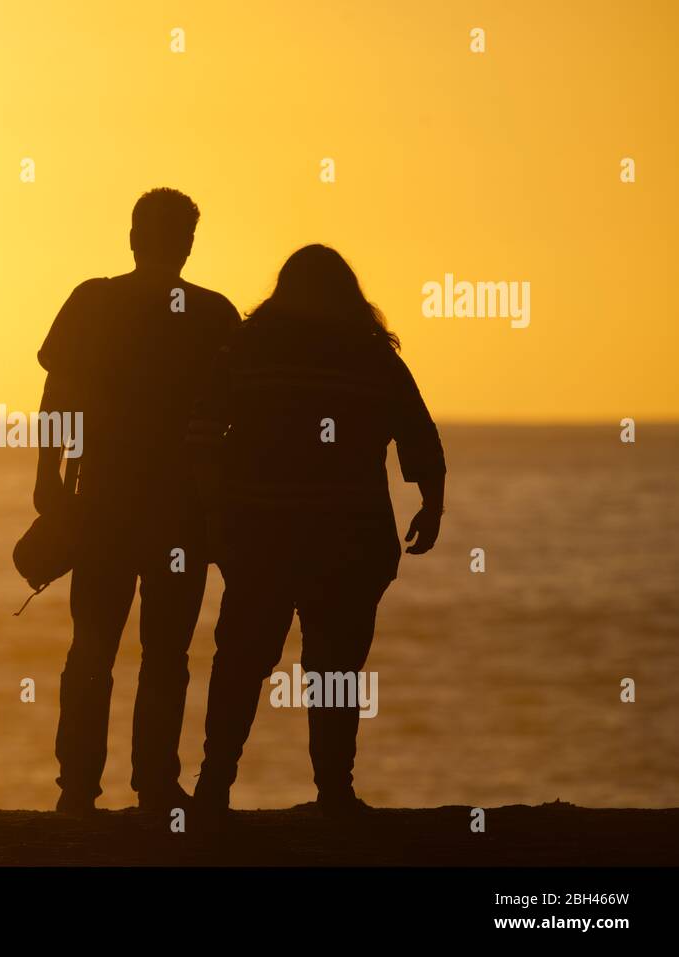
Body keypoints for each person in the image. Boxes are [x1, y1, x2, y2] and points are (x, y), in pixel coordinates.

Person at [188, 244, 445, 819]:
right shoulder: (373, 357)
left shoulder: (248, 349)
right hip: (350, 539)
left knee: (241, 661)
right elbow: (418, 435)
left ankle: (213, 786)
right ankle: (335, 791)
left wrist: (213, 511)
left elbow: (202, 431)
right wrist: (432, 504)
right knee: (335, 669)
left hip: (261, 535)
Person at [34, 188, 240, 814]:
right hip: (183, 512)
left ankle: (77, 790)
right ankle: (154, 783)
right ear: (187, 244)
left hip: (103, 505)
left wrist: (48, 475)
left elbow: (57, 397)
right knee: (167, 655)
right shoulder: (213, 315)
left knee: (92, 646)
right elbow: (239, 419)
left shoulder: (93, 301)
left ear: (132, 236)